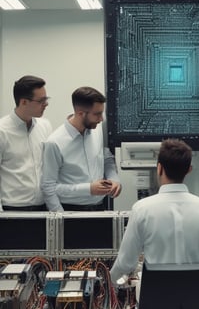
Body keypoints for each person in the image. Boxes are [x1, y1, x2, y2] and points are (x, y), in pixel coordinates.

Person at [110, 138, 199, 285]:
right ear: (189, 170)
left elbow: (125, 263)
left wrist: (109, 284)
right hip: (198, 302)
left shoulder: (141, 209)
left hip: (156, 302)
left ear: (159, 168)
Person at [41, 86, 121, 211]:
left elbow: (106, 158)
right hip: (70, 211)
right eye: (97, 114)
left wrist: (114, 179)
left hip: (100, 208)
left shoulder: (97, 130)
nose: (101, 119)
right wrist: (88, 189)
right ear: (80, 114)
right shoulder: (54, 143)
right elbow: (49, 187)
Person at [0, 75, 52, 211]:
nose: (46, 104)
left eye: (46, 99)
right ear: (23, 102)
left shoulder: (45, 126)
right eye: (41, 101)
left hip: (43, 206)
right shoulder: (2, 131)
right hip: (12, 209)